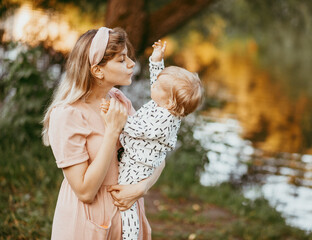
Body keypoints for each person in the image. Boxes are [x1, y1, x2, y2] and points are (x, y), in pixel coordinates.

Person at [41, 27, 163, 239]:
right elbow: (85, 191)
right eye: (121, 59)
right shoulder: (67, 115)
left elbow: (155, 153)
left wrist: (140, 189)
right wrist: (112, 131)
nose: (132, 64)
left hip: (127, 217)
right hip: (87, 221)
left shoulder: (119, 100)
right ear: (97, 70)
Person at [101, 40, 203, 240]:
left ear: (169, 100)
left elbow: (139, 129)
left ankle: (130, 235)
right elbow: (160, 81)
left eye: (156, 85)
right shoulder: (166, 103)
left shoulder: (165, 119)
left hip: (138, 164)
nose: (152, 84)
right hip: (136, 155)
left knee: (125, 200)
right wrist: (156, 60)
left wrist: (117, 118)